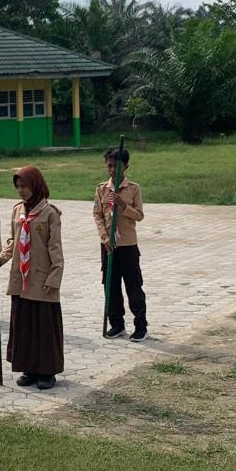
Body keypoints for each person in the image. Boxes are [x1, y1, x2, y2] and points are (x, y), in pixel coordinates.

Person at [0, 167, 64, 391]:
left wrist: (54, 278)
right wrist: (1, 259)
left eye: (24, 185)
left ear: (36, 185)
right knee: (24, 324)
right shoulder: (17, 211)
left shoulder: (49, 213)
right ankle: (29, 368)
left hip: (42, 279)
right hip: (21, 278)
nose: (20, 190)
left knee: (43, 325)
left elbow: (56, 249)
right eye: (17, 186)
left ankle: (47, 371)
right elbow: (12, 241)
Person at [93, 147, 148, 342]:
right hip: (109, 245)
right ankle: (116, 323)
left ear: (125, 166)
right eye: (109, 166)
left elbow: (140, 216)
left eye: (116, 166)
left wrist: (123, 206)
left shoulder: (133, 188)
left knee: (133, 285)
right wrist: (104, 237)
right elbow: (97, 215)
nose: (112, 170)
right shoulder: (101, 189)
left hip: (127, 245)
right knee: (110, 285)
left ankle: (141, 325)